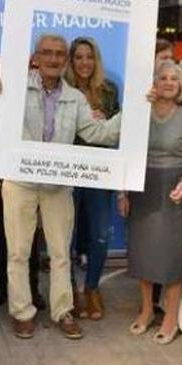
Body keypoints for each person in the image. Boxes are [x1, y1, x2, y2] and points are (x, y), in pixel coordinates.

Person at [7, 34, 122, 340]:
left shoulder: (75, 97)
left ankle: (62, 311)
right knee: (18, 251)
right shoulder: (15, 87)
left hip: (58, 185)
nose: (54, 59)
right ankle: (22, 312)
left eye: (60, 54)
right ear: (36, 56)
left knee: (60, 253)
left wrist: (134, 113)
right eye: (48, 53)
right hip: (20, 181)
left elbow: (99, 133)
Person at [122, 60, 182, 344]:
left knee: (172, 255)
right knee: (143, 251)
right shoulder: (139, 113)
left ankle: (170, 316)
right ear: (154, 83)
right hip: (142, 188)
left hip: (176, 190)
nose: (169, 82)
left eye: (174, 78)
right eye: (163, 77)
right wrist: (123, 192)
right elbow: (127, 153)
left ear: (180, 86)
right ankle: (146, 310)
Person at [0, 54, 42, 309]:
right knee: (0, 238)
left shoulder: (21, 100)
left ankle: (33, 289)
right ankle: (4, 286)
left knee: (30, 238)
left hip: (24, 178)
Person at [64, 37, 120, 321]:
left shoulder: (109, 90)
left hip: (100, 170)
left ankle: (93, 288)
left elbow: (118, 130)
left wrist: (104, 122)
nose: (84, 63)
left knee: (99, 234)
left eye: (89, 57)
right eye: (78, 57)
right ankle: (70, 291)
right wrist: (83, 124)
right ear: (71, 61)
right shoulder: (61, 89)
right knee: (67, 235)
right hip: (68, 170)